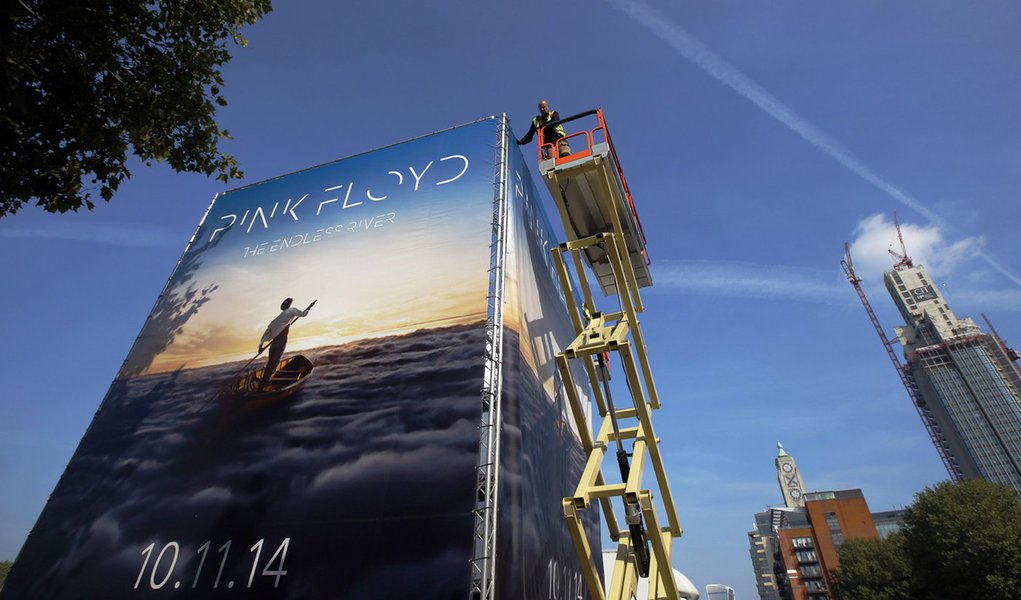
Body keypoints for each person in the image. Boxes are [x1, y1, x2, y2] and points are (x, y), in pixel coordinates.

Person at [258, 297, 315, 388]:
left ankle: (263, 381)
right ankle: (263, 385)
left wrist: (260, 346)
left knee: (270, 362)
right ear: (289, 305)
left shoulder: (277, 319)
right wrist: (309, 308)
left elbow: (267, 331)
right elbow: (303, 314)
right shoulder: (292, 310)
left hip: (274, 342)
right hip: (281, 340)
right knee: (274, 362)